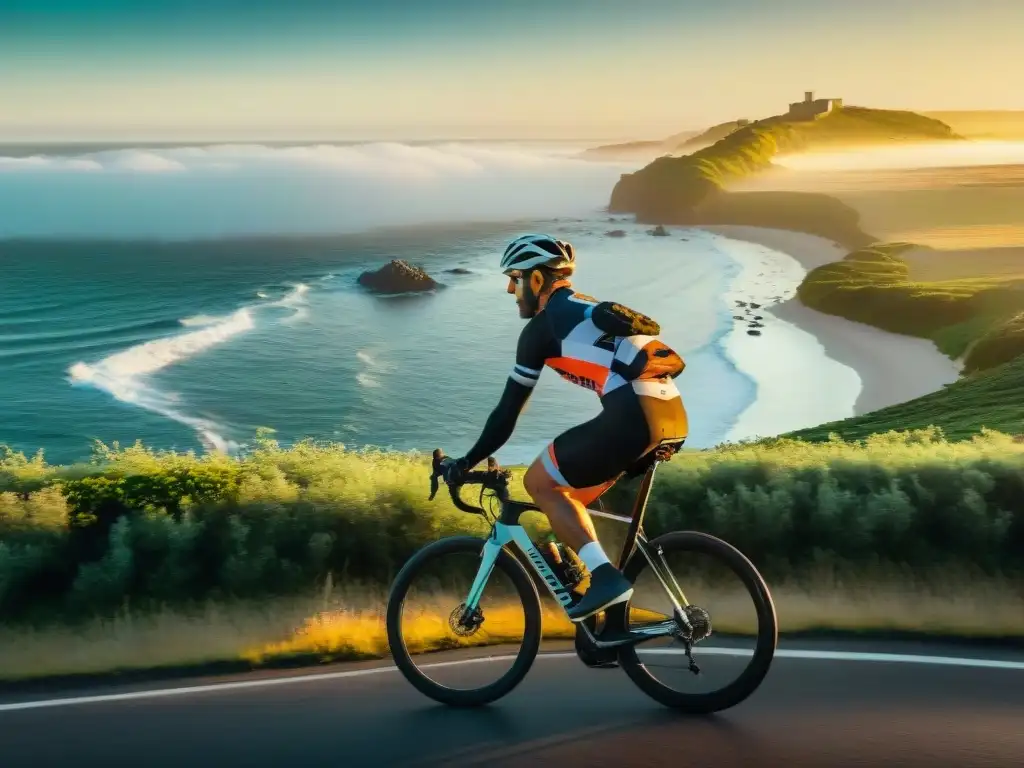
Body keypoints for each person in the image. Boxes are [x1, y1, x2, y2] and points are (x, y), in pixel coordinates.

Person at [442, 233, 689, 622]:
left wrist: (466, 461)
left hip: (633, 416)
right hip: (670, 416)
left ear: (537, 280)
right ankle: (607, 624)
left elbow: (507, 412)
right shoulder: (587, 309)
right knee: (566, 505)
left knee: (539, 484)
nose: (510, 288)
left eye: (515, 277)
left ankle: (606, 579)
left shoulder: (543, 329)